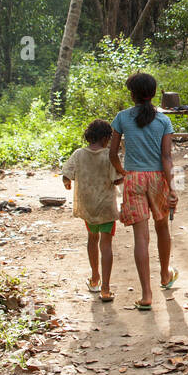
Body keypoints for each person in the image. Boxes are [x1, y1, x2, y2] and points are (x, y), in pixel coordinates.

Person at [110, 73, 179, 309]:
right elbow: (167, 157)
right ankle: (165, 275)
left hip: (134, 179)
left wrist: (123, 171)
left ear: (133, 94)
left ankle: (146, 295)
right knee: (162, 228)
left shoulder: (121, 118)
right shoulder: (163, 121)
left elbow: (112, 154)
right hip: (158, 178)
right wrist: (172, 188)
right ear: (153, 94)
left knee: (141, 237)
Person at [61, 119, 123, 303]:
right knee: (106, 245)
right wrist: (125, 174)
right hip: (105, 207)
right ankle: (105, 289)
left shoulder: (79, 154)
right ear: (106, 138)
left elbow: (66, 173)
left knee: (92, 239)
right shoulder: (108, 156)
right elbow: (117, 179)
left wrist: (67, 182)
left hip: (87, 207)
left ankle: (95, 279)